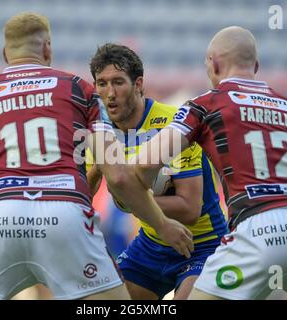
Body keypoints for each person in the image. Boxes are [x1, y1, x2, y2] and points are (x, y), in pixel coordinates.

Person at [0, 12, 193, 300]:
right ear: (47, 48)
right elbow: (117, 175)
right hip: (66, 216)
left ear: (5, 53)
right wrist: (162, 224)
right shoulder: (79, 89)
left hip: (3, 218)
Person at [134, 26, 287, 300]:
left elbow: (144, 164)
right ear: (256, 66)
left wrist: (154, 186)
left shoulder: (205, 105)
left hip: (258, 227)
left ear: (214, 63)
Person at [88, 43, 228, 299]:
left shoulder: (176, 125)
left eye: (118, 82)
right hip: (151, 245)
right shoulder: (100, 134)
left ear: (138, 84)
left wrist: (131, 200)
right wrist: (97, 169)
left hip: (202, 244)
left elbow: (189, 209)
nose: (110, 93)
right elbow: (82, 198)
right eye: (102, 83)